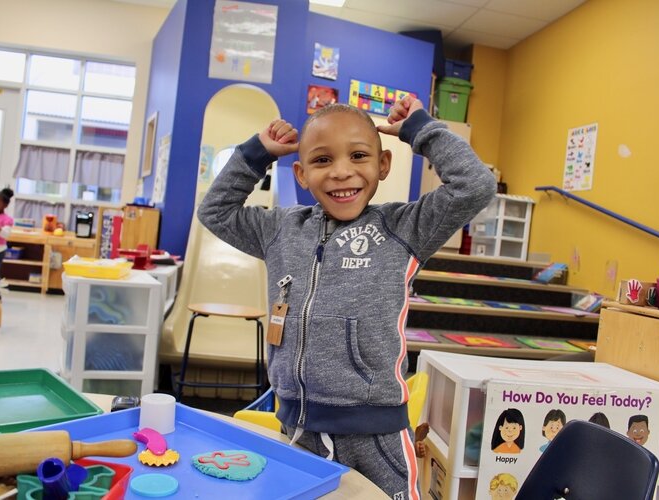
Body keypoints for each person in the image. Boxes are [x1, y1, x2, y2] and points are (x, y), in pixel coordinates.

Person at [198, 96, 496, 498]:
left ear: (383, 165)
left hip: (376, 438)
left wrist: (422, 131)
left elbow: (475, 185)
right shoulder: (280, 229)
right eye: (322, 161)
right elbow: (215, 211)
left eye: (358, 156)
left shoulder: (403, 228)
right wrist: (255, 154)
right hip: (297, 432)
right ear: (301, 174)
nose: (341, 172)